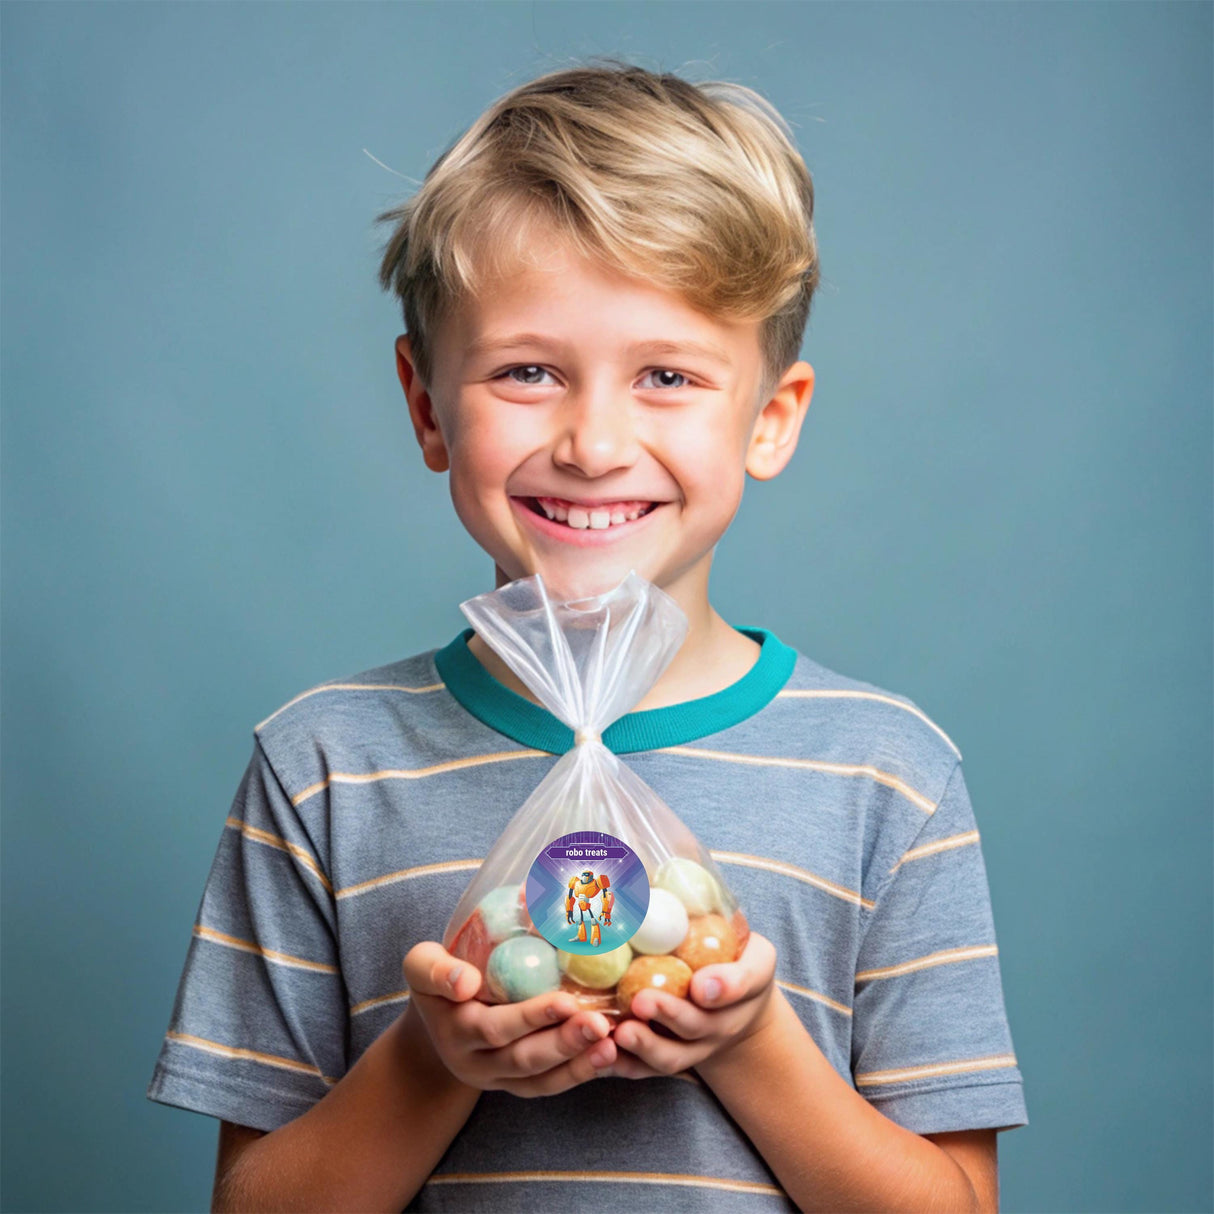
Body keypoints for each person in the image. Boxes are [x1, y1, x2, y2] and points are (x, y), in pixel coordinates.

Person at [147, 60, 1027, 1212]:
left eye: (665, 375)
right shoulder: (324, 765)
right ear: (425, 406)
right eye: (526, 371)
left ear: (769, 417)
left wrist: (747, 1036)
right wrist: (431, 1059)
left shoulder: (885, 774)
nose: (594, 441)